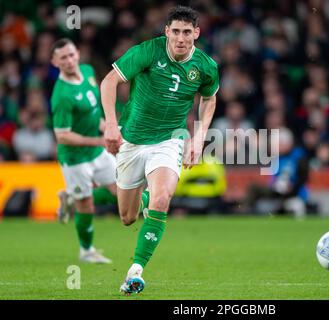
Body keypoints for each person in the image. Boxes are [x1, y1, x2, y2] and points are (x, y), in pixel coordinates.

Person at [100, 6, 219, 295]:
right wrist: (112, 125)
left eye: (187, 32)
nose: (181, 38)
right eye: (175, 31)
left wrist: (199, 136)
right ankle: (145, 198)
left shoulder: (205, 66)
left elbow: (209, 99)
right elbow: (109, 81)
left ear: (196, 34)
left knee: (163, 197)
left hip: (169, 140)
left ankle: (135, 271)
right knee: (127, 217)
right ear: (166, 31)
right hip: (132, 140)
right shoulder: (148, 52)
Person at [50, 38, 117, 264]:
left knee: (123, 191)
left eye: (71, 55)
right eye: (63, 58)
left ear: (77, 53)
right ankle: (86, 251)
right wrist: (99, 141)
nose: (69, 61)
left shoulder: (88, 71)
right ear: (54, 62)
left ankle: (71, 196)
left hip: (97, 151)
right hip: (75, 159)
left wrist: (109, 128)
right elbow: (62, 135)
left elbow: (92, 112)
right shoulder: (61, 96)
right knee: (86, 205)